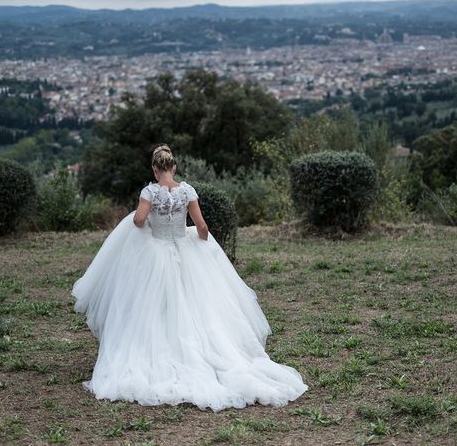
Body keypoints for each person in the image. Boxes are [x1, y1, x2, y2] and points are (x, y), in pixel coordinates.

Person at [72, 144, 307, 411]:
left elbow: (138, 220)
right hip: (185, 249)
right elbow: (203, 226)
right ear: (174, 167)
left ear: (154, 168)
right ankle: (202, 352)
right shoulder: (188, 190)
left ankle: (158, 351)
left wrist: (147, 223)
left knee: (152, 307)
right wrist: (198, 238)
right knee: (197, 305)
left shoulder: (149, 191)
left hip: (156, 252)